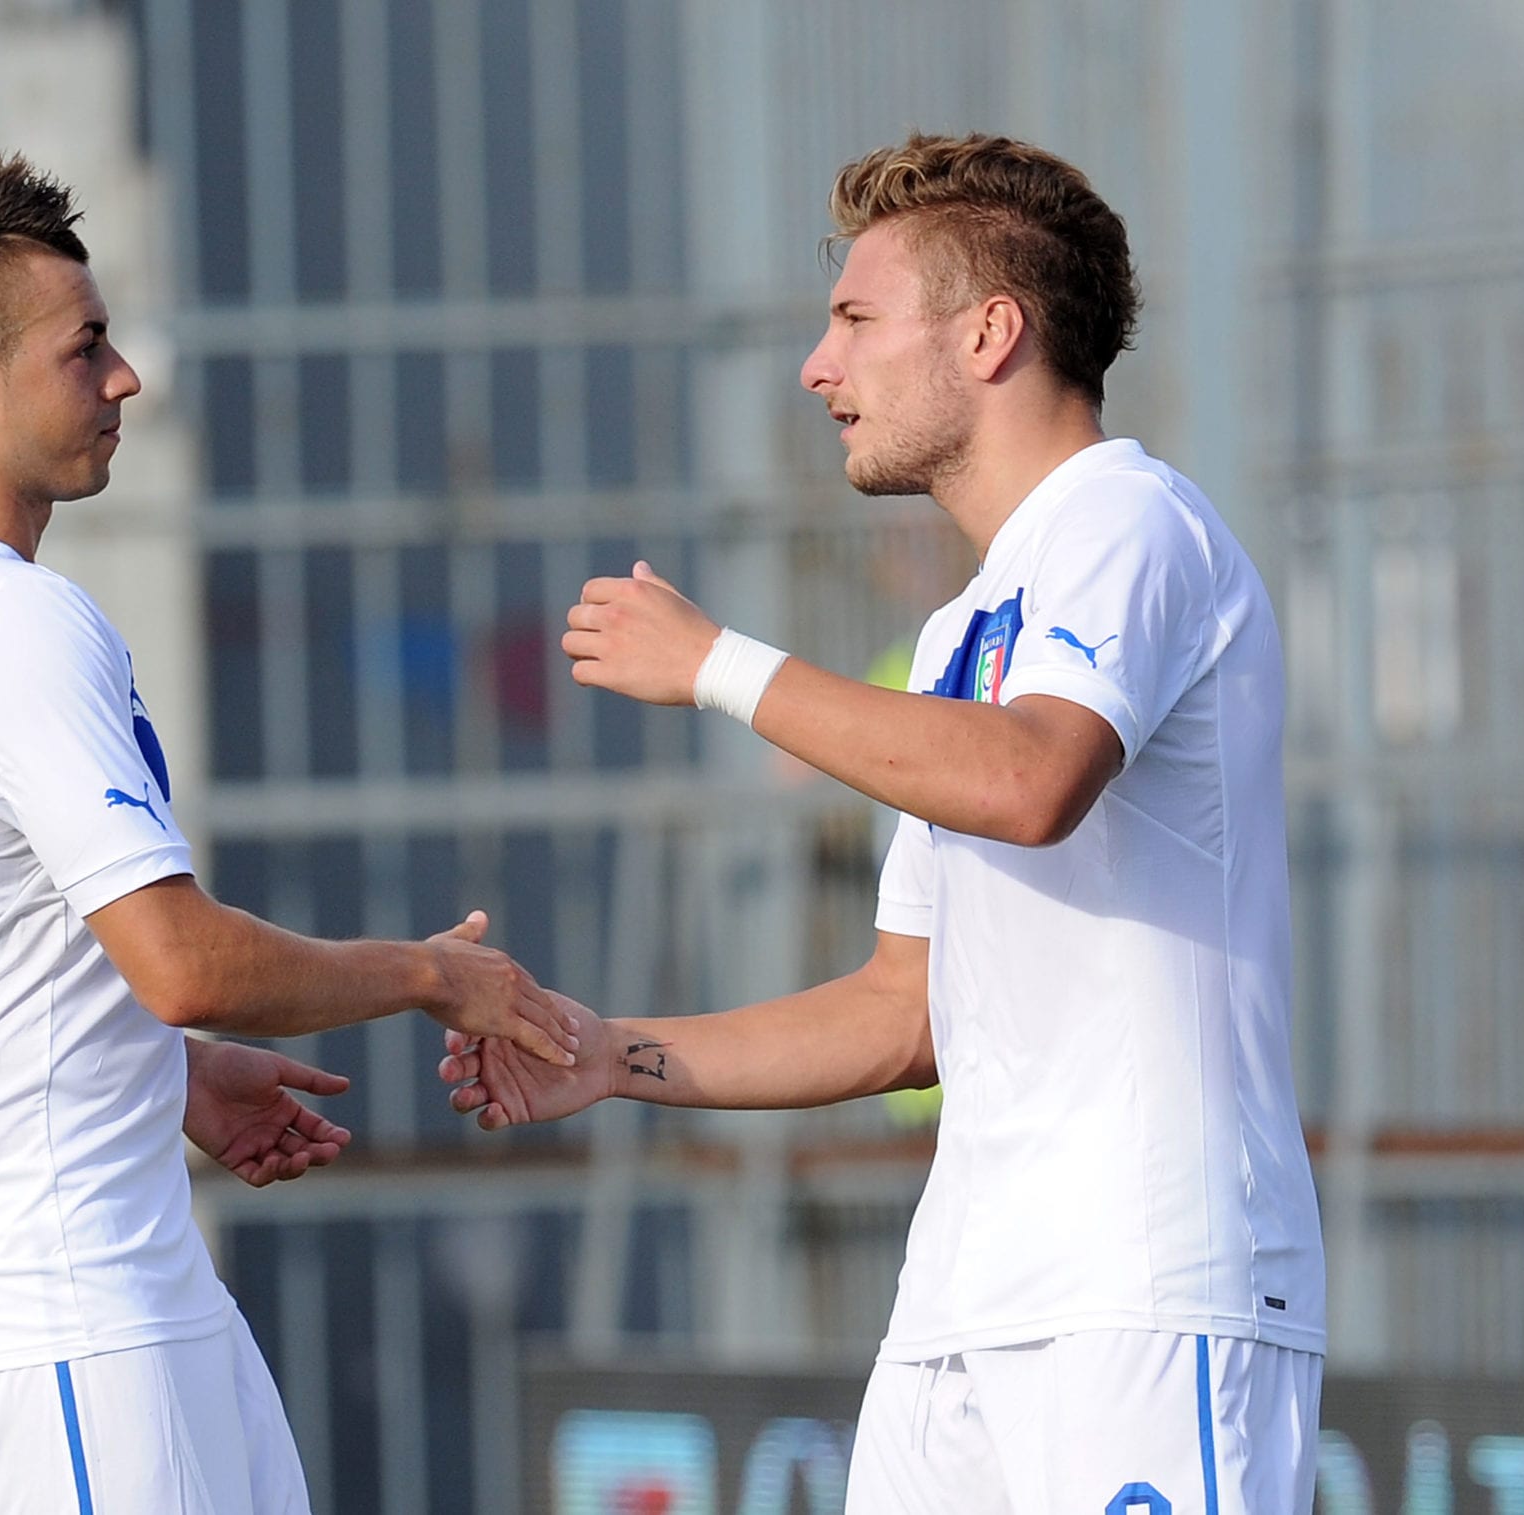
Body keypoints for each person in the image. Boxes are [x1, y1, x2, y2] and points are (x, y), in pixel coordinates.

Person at [440, 132, 1326, 1514]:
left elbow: (1034, 779)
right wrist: (612, 1053)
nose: (818, 365)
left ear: (989, 334)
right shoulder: (966, 625)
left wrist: (724, 666)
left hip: (1143, 1298)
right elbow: (903, 1008)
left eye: (855, 319)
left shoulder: (1128, 520)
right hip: (959, 1313)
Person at [0, 150, 580, 1515]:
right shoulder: (5, 622)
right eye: (85, 346)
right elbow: (180, 959)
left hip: (91, 1266)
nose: (123, 377)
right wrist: (430, 972)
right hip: (47, 1288)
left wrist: (164, 1075)